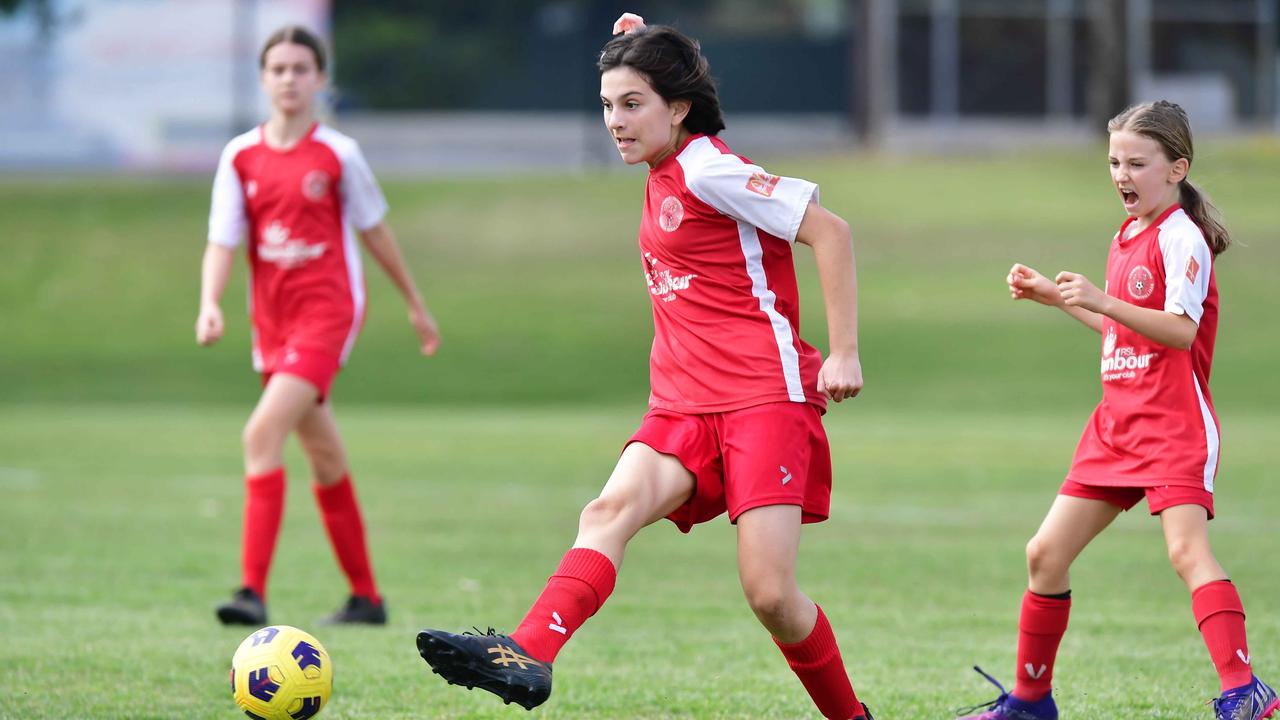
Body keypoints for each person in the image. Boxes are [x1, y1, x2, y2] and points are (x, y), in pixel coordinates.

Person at [415, 13, 872, 720]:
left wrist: (843, 351)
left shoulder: (707, 168)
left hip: (762, 398)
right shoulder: (667, 166)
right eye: (606, 106)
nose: (615, 123)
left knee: (771, 595)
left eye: (632, 105)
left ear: (678, 108)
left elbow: (830, 230)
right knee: (606, 512)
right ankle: (528, 652)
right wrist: (641, 37)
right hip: (684, 404)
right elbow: (659, 80)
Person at [956, 101, 1276, 720]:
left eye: (1137, 162)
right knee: (1044, 555)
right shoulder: (1125, 235)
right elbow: (1120, 335)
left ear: (1177, 168)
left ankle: (1246, 689)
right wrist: (1058, 299)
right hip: (1116, 426)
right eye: (1113, 162)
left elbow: (1179, 332)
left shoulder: (1181, 236)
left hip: (1173, 425)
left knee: (1186, 552)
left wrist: (1101, 298)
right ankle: (1030, 703)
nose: (1121, 174)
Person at [197, 25, 440, 627]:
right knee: (324, 455)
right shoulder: (240, 156)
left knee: (261, 436)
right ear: (263, 78)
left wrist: (414, 301)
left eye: (301, 68)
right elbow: (223, 239)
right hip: (271, 325)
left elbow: (374, 230)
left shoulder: (338, 154)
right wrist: (210, 302)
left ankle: (251, 591)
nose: (289, 79)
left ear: (320, 79)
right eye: (277, 69)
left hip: (328, 315)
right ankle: (367, 599)